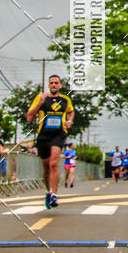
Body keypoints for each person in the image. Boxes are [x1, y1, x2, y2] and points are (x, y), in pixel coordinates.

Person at [26, 74, 74, 209]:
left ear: (60, 85)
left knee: (54, 163)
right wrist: (40, 103)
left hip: (59, 134)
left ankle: (54, 194)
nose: (54, 85)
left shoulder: (65, 99)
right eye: (51, 83)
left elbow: (71, 112)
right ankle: (48, 192)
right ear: (48, 85)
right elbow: (29, 117)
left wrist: (69, 121)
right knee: (46, 168)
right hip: (43, 136)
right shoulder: (41, 98)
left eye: (56, 83)